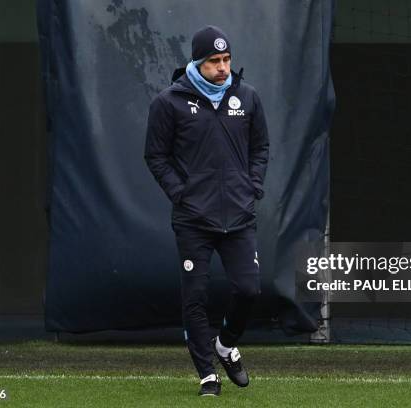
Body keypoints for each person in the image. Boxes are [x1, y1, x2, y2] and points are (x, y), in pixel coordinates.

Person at [144, 25, 269, 396]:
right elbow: (156, 156)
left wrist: (253, 185)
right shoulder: (169, 102)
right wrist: (181, 193)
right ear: (198, 62)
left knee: (248, 289)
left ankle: (225, 346)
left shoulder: (246, 97)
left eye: (226, 59)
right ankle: (207, 376)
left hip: (239, 215)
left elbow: (260, 147)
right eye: (214, 61)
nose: (222, 67)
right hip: (193, 220)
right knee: (195, 298)